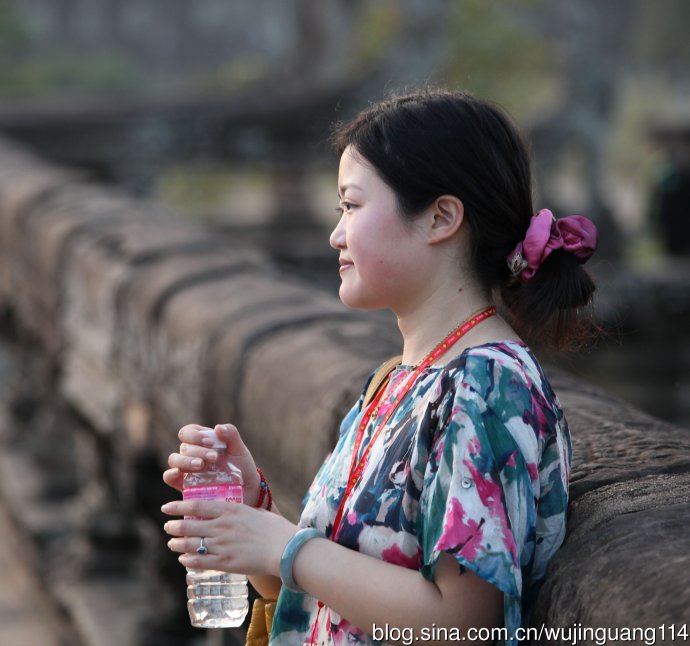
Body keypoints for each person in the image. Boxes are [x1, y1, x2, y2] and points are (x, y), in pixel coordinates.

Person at [161, 88, 598, 645]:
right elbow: (328, 600)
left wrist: (285, 545)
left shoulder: (483, 387)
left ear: (441, 218)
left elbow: (462, 624)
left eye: (352, 205)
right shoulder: (397, 380)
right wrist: (252, 516)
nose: (335, 234)